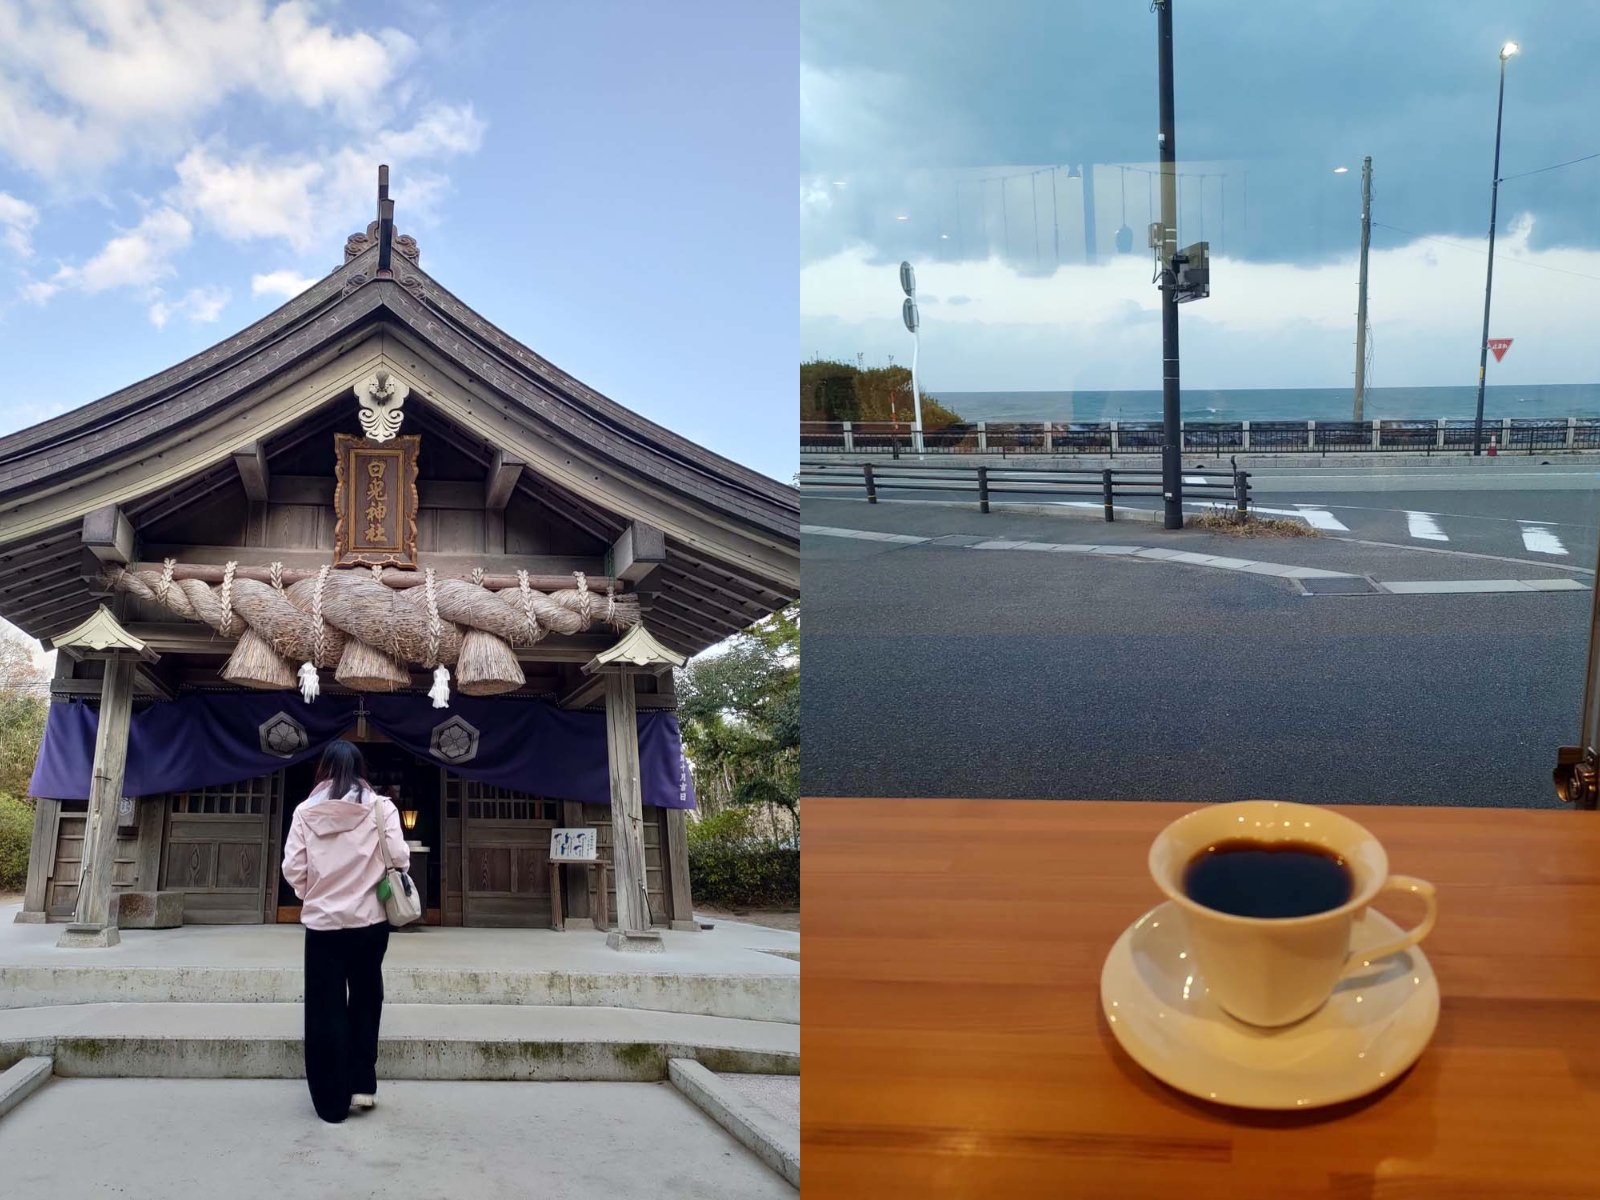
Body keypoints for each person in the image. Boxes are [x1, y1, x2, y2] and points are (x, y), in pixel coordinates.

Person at [281, 741, 409, 1123]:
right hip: (370, 922)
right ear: (360, 770)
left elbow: (293, 868)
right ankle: (362, 1084)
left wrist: (315, 895)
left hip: (323, 925)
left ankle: (330, 1101)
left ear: (323, 770)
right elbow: (400, 857)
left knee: (325, 1007)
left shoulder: (305, 812)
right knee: (367, 997)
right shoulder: (381, 807)